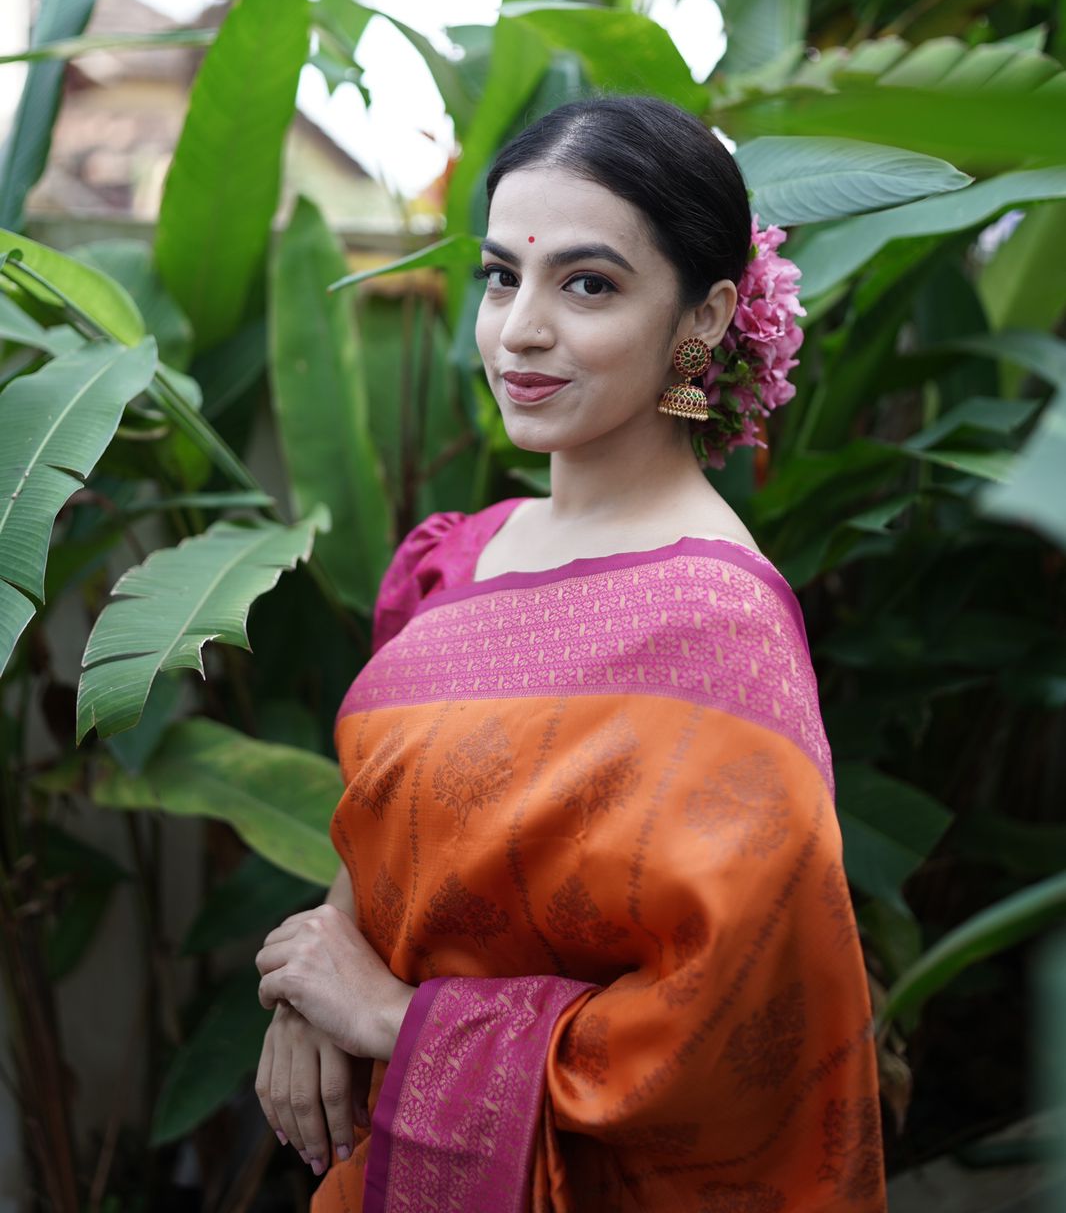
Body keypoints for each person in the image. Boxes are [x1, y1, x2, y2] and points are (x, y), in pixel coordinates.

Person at [253, 94, 888, 1211]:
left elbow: (731, 1034)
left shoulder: (718, 631)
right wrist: (311, 981)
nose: (520, 329)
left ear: (703, 319)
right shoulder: (451, 562)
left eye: (586, 283)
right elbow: (385, 833)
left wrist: (399, 1023)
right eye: (503, 276)